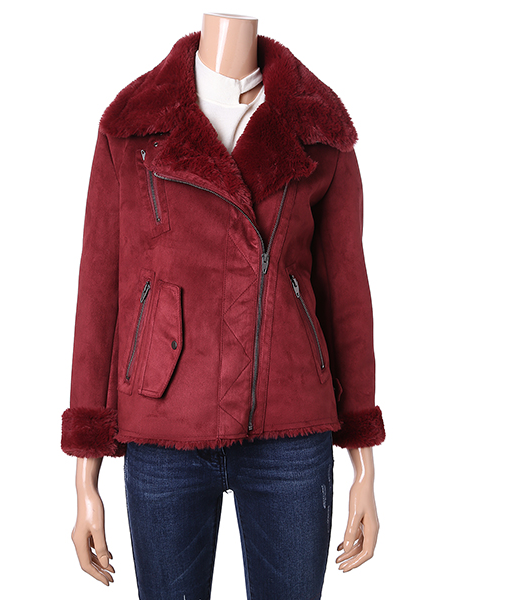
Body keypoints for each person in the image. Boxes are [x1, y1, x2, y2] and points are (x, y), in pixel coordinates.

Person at [61, 12, 386, 600]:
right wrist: (86, 472)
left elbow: (347, 295)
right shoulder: (133, 125)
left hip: (290, 422)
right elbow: (99, 290)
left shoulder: (317, 126)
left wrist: (364, 461)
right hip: (164, 420)